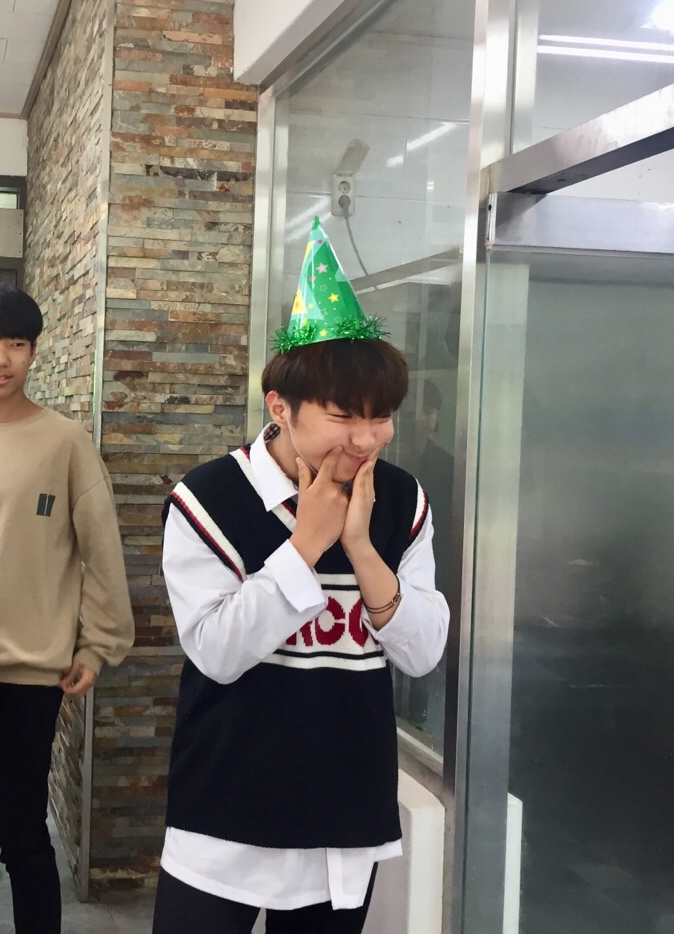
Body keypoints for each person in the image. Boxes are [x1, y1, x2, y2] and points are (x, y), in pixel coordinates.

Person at [151, 219, 449, 934]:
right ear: (279, 407)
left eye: (382, 418)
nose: (366, 439)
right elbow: (216, 651)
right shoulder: (208, 499)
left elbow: (423, 652)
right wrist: (305, 545)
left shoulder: (401, 500)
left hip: (344, 813)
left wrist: (364, 551)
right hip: (224, 809)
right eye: (344, 416)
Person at [0, 283, 135, 934]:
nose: (1, 359)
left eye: (16, 344)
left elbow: (102, 552)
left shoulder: (64, 442)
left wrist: (97, 645)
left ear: (34, 351)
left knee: (23, 834)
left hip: (32, 674)